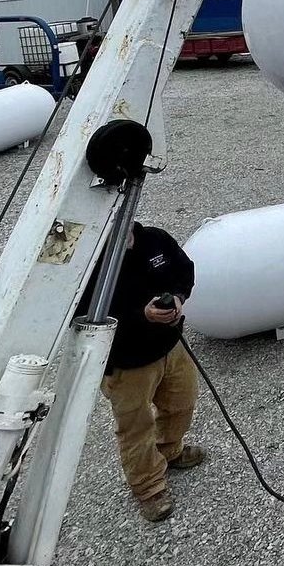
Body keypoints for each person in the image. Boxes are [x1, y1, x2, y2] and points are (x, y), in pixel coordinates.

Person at [76, 220, 206, 523]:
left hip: (169, 345)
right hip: (127, 361)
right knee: (136, 426)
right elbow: (83, 316)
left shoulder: (154, 239)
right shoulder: (89, 260)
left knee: (181, 403)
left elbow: (184, 269)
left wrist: (178, 297)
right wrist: (142, 316)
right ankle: (149, 488)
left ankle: (170, 450)